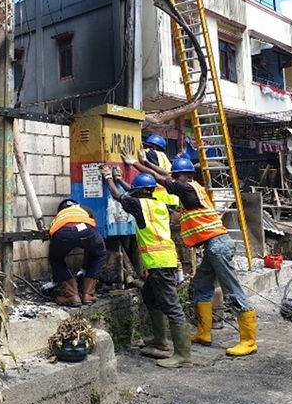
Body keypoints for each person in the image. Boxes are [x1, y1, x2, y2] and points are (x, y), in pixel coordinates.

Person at [121, 148, 258, 357]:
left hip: (218, 246)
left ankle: (249, 341)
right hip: (212, 248)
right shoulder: (191, 191)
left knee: (233, 290)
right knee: (201, 286)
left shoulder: (187, 189)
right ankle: (204, 332)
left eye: (178, 176)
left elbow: (164, 179)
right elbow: (166, 177)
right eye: (175, 175)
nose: (175, 179)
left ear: (186, 176)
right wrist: (144, 164)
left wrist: (135, 164)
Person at [102, 167, 192, 368]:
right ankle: (159, 341)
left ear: (140, 192)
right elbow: (132, 192)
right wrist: (121, 178)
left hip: (159, 262)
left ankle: (183, 355)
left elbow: (119, 196)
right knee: (150, 296)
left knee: (172, 307)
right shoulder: (159, 204)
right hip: (162, 260)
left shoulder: (138, 204)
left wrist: (109, 179)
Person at [48, 198, 107, 307]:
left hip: (63, 233)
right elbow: (93, 230)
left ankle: (72, 296)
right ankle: (88, 294)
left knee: (55, 259)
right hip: (86, 229)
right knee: (99, 254)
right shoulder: (84, 209)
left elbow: (53, 239)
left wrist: (56, 280)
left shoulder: (59, 216)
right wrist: (84, 268)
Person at [143, 134, 180, 210]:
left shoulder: (151, 152)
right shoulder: (165, 158)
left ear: (154, 147)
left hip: (159, 197)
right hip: (172, 198)